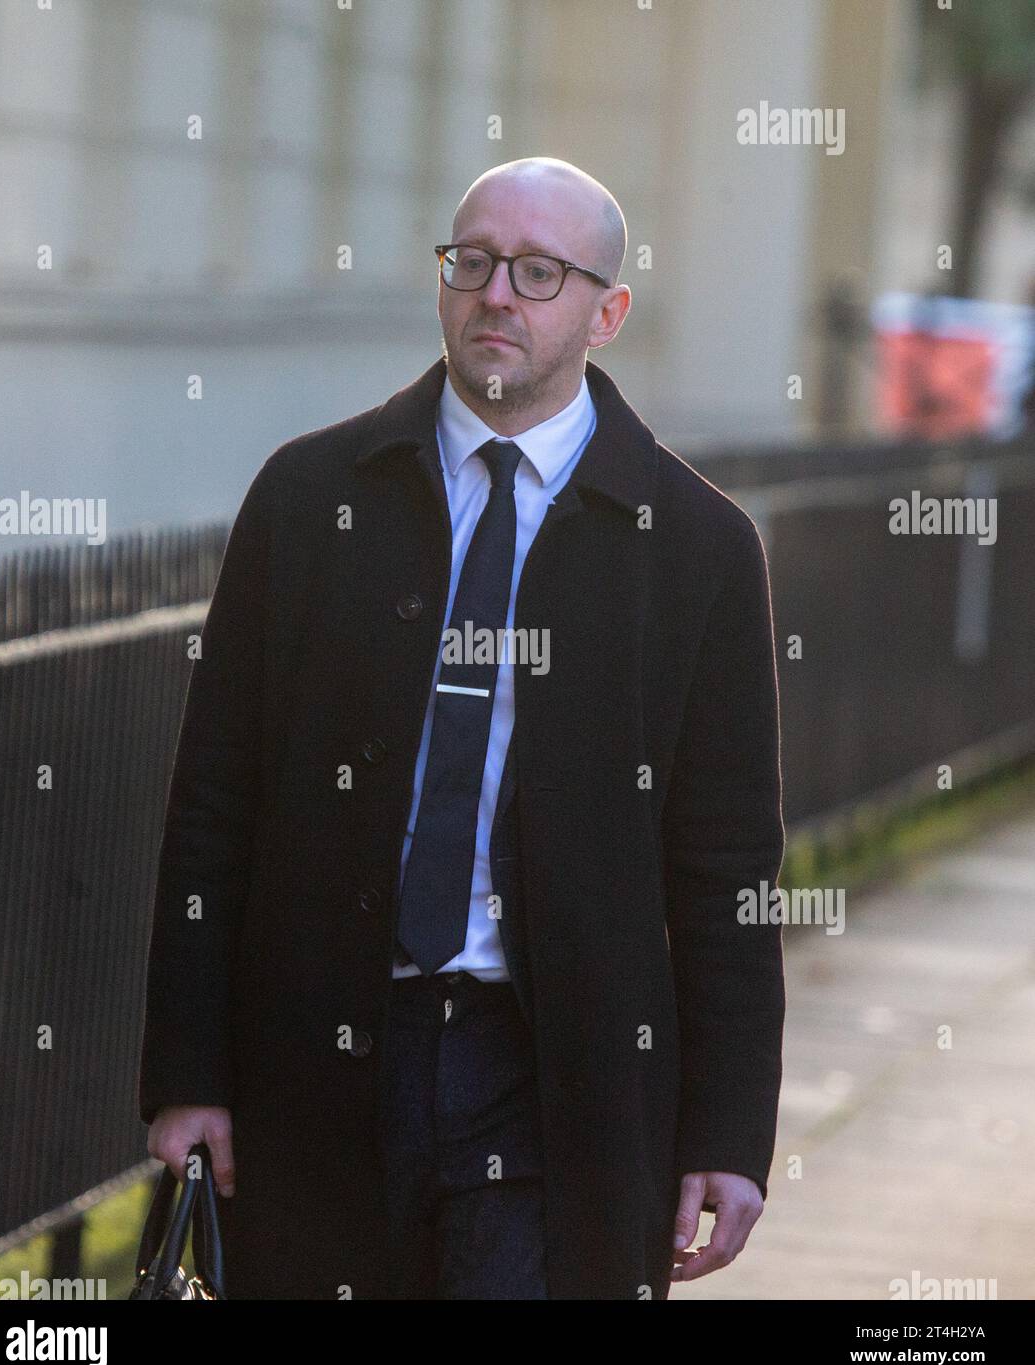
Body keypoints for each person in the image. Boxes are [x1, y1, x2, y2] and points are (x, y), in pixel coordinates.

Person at [138, 156, 786, 1301]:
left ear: (605, 312)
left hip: (553, 1083)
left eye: (539, 272)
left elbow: (727, 870)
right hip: (322, 1055)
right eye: (473, 261)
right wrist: (187, 1073)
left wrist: (727, 1134)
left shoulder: (695, 550)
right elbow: (212, 805)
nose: (497, 293)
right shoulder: (308, 499)